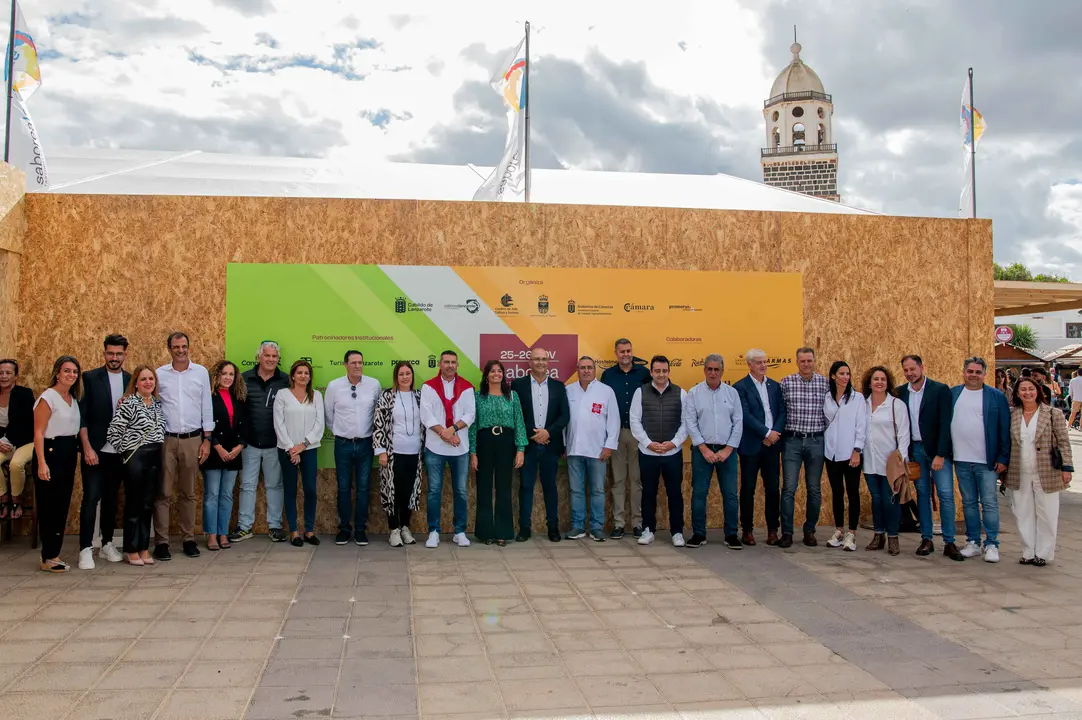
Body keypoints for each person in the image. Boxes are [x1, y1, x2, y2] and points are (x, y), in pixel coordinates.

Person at [897, 355, 962, 561]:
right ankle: (926, 539)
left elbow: (946, 423)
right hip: (915, 450)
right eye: (906, 370)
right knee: (922, 494)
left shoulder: (939, 390)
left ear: (922, 367)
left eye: (913, 369)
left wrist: (941, 454)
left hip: (936, 451)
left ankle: (949, 541)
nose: (910, 373)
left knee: (945, 494)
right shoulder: (901, 393)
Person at [155, 332, 213, 561]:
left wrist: (207, 439)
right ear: (169, 349)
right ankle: (162, 542)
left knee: (188, 493)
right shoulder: (160, 374)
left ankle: (188, 539)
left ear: (189, 347)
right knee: (163, 493)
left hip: (193, 440)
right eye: (176, 347)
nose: (181, 350)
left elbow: (206, 406)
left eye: (184, 346)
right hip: (166, 440)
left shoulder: (200, 373)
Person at [76, 334, 131, 570]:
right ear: (104, 353)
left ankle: (107, 543)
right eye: (110, 353)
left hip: (119, 453)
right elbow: (82, 416)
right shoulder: (89, 378)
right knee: (91, 498)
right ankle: (86, 548)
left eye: (119, 354)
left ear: (125, 354)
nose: (114, 358)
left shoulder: (131, 380)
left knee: (111, 500)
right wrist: (86, 447)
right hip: (95, 451)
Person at [1007, 377, 1074, 566]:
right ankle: (1028, 551)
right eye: (1023, 390)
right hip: (1019, 471)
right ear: (1017, 393)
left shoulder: (1053, 413)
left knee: (1047, 513)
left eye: (1031, 389)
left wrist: (1067, 467)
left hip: (1047, 471)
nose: (1027, 393)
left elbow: (1063, 442)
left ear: (1038, 391)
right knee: (1022, 512)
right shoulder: (1012, 414)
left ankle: (1043, 553)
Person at [950, 356, 1010, 563]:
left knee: (990, 502)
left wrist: (1003, 457)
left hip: (987, 461)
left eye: (978, 372)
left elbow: (1005, 428)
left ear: (984, 374)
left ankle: (992, 544)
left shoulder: (995, 396)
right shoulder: (954, 394)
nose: (973, 375)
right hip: (961, 459)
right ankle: (973, 542)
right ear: (964, 372)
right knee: (968, 503)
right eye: (970, 371)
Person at [105, 365, 165, 566]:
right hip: (136, 458)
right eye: (143, 379)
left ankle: (143, 547)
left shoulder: (157, 404)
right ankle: (131, 549)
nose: (148, 382)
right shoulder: (129, 403)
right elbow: (113, 433)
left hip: (155, 457)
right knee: (134, 504)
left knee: (148, 504)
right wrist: (128, 451)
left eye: (151, 378)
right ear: (136, 383)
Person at [683, 354, 743, 549]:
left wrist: (728, 449)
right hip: (702, 451)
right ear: (704, 370)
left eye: (717, 369)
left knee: (730, 494)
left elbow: (738, 423)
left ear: (722, 371)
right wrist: (703, 448)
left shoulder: (732, 393)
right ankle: (699, 534)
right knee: (699, 494)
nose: (713, 373)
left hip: (728, 451)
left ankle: (731, 535)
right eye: (709, 369)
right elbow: (690, 422)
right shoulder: (694, 393)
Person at [512, 347, 569, 542]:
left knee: (550, 487)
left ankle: (552, 527)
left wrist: (548, 432)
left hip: (550, 445)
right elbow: (516, 415)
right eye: (536, 359)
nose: (540, 363)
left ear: (548, 362)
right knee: (526, 487)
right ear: (529, 362)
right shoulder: (517, 385)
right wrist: (532, 434)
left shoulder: (559, 387)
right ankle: (524, 528)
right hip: (526, 445)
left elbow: (564, 416)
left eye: (544, 359)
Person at [233, 341, 288, 543]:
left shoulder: (285, 380)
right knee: (247, 485)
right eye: (267, 356)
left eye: (274, 356)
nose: (271, 359)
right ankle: (244, 527)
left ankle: (275, 526)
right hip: (249, 444)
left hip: (275, 443)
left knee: (275, 485)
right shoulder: (244, 378)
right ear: (259, 357)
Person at [630, 355, 688, 547]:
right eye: (657, 371)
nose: (661, 374)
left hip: (673, 453)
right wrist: (648, 443)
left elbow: (686, 423)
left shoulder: (681, 393)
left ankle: (677, 532)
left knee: (675, 493)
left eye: (664, 371)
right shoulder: (641, 392)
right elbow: (635, 421)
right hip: (648, 453)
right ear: (652, 372)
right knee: (648, 492)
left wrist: (673, 443)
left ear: (669, 372)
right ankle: (648, 529)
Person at [325, 349, 381, 546]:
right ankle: (344, 529)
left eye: (360, 362)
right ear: (345, 364)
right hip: (343, 445)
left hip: (366, 444)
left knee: (364, 488)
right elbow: (329, 415)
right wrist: (342, 432)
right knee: (343, 488)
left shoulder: (374, 385)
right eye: (353, 362)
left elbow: (378, 414)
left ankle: (360, 530)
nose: (357, 365)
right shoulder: (334, 387)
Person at [420, 350, 475, 548]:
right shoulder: (428, 387)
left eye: (453, 362)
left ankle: (459, 531)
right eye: (446, 362)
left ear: (457, 365)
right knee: (434, 491)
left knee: (460, 491)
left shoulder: (467, 387)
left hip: (460, 449)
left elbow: (470, 415)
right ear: (440, 365)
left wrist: (452, 430)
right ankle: (433, 531)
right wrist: (445, 433)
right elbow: (426, 416)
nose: (450, 365)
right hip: (435, 447)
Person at [34, 356, 83, 572]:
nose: (71, 375)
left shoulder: (73, 398)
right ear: (57, 373)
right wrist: (42, 463)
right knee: (49, 505)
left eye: (74, 371)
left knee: (62, 505)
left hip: (68, 453)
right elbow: (38, 432)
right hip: (50, 453)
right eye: (67, 371)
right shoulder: (48, 398)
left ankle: (54, 553)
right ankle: (48, 556)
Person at [470, 360, 526, 546]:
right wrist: (473, 452)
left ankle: (503, 532)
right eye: (492, 371)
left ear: (503, 375)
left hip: (505, 443)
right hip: (484, 442)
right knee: (484, 487)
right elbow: (473, 426)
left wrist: (520, 449)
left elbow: (519, 422)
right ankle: (485, 532)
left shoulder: (512, 396)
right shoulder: (478, 397)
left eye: (499, 371)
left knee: (503, 488)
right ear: (486, 375)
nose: (496, 374)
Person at [733, 349, 786, 546]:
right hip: (751, 446)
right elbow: (745, 416)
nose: (763, 366)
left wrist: (775, 434)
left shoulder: (775, 386)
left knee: (772, 488)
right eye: (758, 363)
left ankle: (773, 530)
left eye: (765, 362)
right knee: (748, 488)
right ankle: (747, 530)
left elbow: (782, 411)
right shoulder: (741, 387)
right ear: (749, 365)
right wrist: (766, 433)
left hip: (772, 445)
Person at [564, 356, 620, 542]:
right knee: (576, 490)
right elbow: (564, 421)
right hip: (573, 450)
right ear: (577, 369)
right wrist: (564, 444)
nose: (586, 371)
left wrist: (609, 446)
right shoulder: (569, 390)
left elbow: (614, 421)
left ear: (594, 369)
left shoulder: (606, 391)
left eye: (589, 367)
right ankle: (578, 526)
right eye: (582, 368)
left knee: (597, 490)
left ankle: (596, 527)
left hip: (598, 451)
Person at [600, 338, 651, 539]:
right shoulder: (608, 375)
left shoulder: (644, 374)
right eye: (622, 351)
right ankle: (619, 524)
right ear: (616, 353)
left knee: (637, 481)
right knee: (618, 480)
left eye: (629, 351)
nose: (626, 354)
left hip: (639, 434)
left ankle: (637, 523)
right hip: (617, 433)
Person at [779, 347, 829, 547]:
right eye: (803, 361)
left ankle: (809, 531)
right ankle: (787, 533)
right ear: (797, 362)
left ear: (814, 361)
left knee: (814, 489)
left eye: (809, 360)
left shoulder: (825, 384)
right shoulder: (786, 383)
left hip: (816, 441)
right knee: (789, 488)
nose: (806, 364)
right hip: (792, 441)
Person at [274, 359, 325, 547]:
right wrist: (291, 449)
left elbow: (320, 424)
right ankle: (294, 531)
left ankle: (309, 530)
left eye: (306, 373)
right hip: (287, 450)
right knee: (291, 489)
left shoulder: (316, 396)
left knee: (310, 489)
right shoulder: (282, 395)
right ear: (293, 375)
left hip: (309, 449)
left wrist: (303, 445)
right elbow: (278, 423)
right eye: (300, 372)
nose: (303, 376)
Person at [374, 362, 425, 547]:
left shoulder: (419, 396)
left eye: (408, 373)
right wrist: (381, 451)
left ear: (412, 376)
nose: (405, 377)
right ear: (396, 376)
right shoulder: (388, 395)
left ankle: (405, 527)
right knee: (392, 491)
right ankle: (393, 529)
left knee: (408, 492)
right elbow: (379, 424)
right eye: (401, 374)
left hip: (414, 453)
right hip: (393, 453)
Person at [861, 366, 909, 556]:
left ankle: (893, 538)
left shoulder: (896, 405)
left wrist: (901, 458)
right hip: (869, 461)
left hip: (890, 462)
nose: (879, 382)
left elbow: (904, 434)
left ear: (887, 383)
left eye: (883, 379)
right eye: (875, 379)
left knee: (890, 500)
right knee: (877, 499)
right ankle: (878, 535)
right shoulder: (862, 404)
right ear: (869, 383)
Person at [202, 360, 246, 551]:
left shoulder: (240, 397)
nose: (228, 378)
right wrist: (216, 446)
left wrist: (240, 446)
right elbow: (203, 424)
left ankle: (222, 533)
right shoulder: (209, 397)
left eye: (231, 374)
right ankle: (211, 535)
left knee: (227, 495)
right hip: (214, 452)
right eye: (224, 374)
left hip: (233, 452)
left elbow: (246, 425)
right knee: (212, 494)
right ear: (217, 376)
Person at [822, 361, 865, 552]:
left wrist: (857, 450)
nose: (845, 377)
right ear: (833, 376)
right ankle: (839, 530)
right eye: (841, 373)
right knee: (837, 492)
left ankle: (852, 533)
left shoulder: (858, 398)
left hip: (851, 454)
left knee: (853, 493)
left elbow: (861, 426)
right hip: (831, 453)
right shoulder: (827, 397)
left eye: (848, 374)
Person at [0, 359, 35, 521]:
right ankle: (3, 497)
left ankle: (16, 500)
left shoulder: (24, 394)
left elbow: (29, 424)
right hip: (2, 443)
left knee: (16, 464)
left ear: (16, 376)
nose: (4, 376)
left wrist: (9, 442)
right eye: (1, 373)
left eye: (8, 373)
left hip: (25, 441)